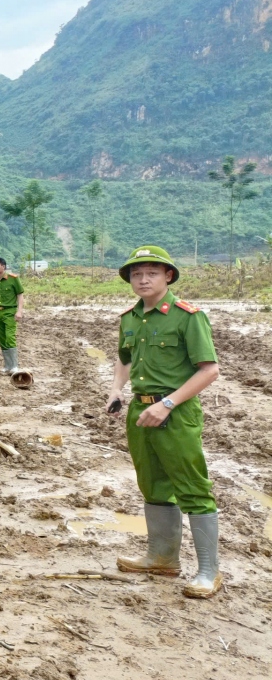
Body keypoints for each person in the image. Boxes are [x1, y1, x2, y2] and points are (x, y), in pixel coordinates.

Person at [108, 245, 222, 598]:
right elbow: (124, 359)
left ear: (168, 276)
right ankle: (161, 558)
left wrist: (168, 403)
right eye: (136, 274)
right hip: (139, 412)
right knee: (153, 484)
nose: (143, 279)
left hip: (175, 412)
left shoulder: (188, 316)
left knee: (191, 487)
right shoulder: (129, 317)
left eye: (152, 273)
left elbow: (210, 370)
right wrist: (115, 390)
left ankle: (208, 572)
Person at [0, 257, 24, 373]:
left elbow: (20, 295)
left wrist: (19, 311)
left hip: (9, 312)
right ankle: (7, 366)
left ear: (3, 266)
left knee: (9, 337)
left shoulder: (13, 279)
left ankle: (14, 366)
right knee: (1, 339)